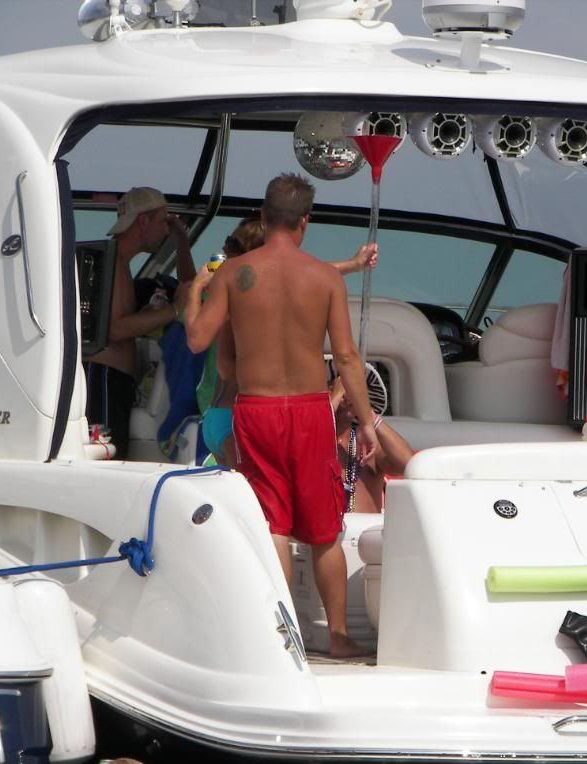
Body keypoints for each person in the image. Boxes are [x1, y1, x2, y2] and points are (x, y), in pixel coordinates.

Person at [184, 173, 378, 658]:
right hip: (311, 410)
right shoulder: (325, 277)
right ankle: (338, 637)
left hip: (258, 410)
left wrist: (193, 293)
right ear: (304, 222)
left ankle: (281, 640)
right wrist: (366, 420)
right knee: (324, 530)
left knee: (273, 523)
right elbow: (347, 357)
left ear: (263, 216)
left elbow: (198, 341)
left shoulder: (234, 274)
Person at [199, 217, 379, 467]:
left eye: (232, 243)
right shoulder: (252, 297)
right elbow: (307, 273)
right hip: (240, 417)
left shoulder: (226, 290)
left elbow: (216, 359)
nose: (225, 247)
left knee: (235, 488)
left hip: (215, 414)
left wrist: (195, 288)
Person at [83, 187, 196, 459]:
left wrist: (181, 240)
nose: (166, 230)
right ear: (143, 221)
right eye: (163, 221)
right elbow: (116, 329)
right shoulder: (113, 262)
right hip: (105, 380)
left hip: (112, 381)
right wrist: (174, 310)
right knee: (106, 463)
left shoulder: (118, 261)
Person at [330, 376, 413, 513]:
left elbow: (408, 464)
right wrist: (336, 397)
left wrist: (366, 412)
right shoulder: (310, 442)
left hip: (368, 527)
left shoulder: (368, 444)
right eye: (334, 387)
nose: (347, 394)